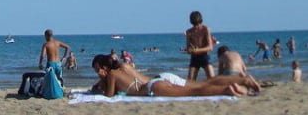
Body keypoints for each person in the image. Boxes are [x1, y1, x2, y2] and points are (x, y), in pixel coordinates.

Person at [90, 53, 259, 97]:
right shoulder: (124, 66)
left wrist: (100, 85)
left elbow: (109, 96)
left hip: (153, 87)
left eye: (99, 70)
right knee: (204, 83)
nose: (99, 73)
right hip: (161, 77)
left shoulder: (111, 76)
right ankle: (241, 79)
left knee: (195, 91)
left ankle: (227, 90)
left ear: (104, 67)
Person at [185, 11, 215, 79]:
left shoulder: (205, 29)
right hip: (194, 57)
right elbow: (188, 49)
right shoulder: (189, 32)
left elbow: (210, 47)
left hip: (204, 56)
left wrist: (197, 50)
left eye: (198, 25)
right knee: (190, 80)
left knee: (212, 78)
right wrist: (190, 50)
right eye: (195, 25)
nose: (196, 27)